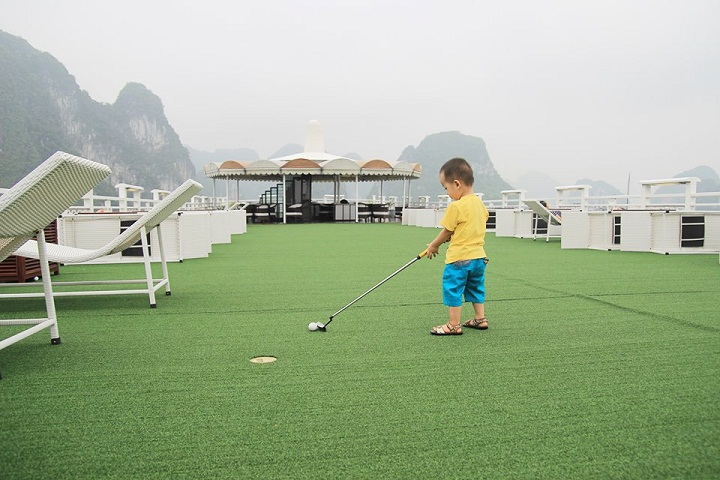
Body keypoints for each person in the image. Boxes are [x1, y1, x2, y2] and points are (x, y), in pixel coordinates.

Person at [426, 157, 490, 336]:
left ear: (456, 184)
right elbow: (474, 223)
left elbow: (447, 231)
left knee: (453, 288)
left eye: (446, 188)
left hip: (459, 258)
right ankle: (480, 318)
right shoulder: (480, 204)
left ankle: (454, 325)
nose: (447, 192)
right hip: (479, 257)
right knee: (476, 287)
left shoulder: (456, 206)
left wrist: (433, 245)